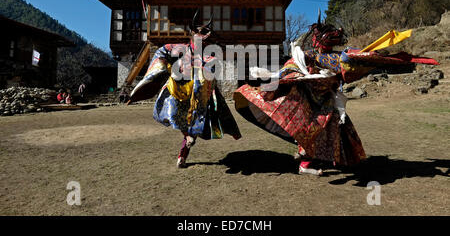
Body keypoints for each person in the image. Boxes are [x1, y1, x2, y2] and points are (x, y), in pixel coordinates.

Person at [233, 12, 439, 176]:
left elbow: (291, 70)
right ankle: (307, 164)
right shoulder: (326, 57)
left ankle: (322, 160)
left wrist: (272, 76)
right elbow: (292, 70)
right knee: (313, 130)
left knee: (323, 130)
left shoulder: (328, 57)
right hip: (314, 100)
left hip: (323, 101)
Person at [128, 12, 241, 168]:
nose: (201, 40)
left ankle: (182, 155)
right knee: (175, 115)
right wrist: (161, 64)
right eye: (198, 35)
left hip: (199, 96)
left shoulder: (209, 56)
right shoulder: (179, 49)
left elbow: (211, 70)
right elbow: (162, 51)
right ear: (192, 36)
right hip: (177, 93)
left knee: (195, 124)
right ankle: (187, 139)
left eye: (204, 37)